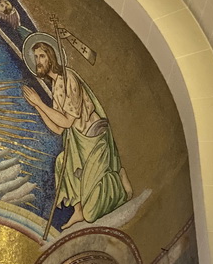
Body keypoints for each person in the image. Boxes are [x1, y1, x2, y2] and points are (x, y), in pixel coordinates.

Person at [22, 36, 132, 228]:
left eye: (41, 56)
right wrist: (37, 106)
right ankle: (78, 210)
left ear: (51, 57)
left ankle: (119, 185)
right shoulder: (56, 86)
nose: (38, 61)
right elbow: (57, 129)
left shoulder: (68, 78)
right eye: (35, 57)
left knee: (93, 214)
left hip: (93, 138)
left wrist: (39, 102)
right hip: (79, 145)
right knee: (61, 161)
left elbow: (66, 121)